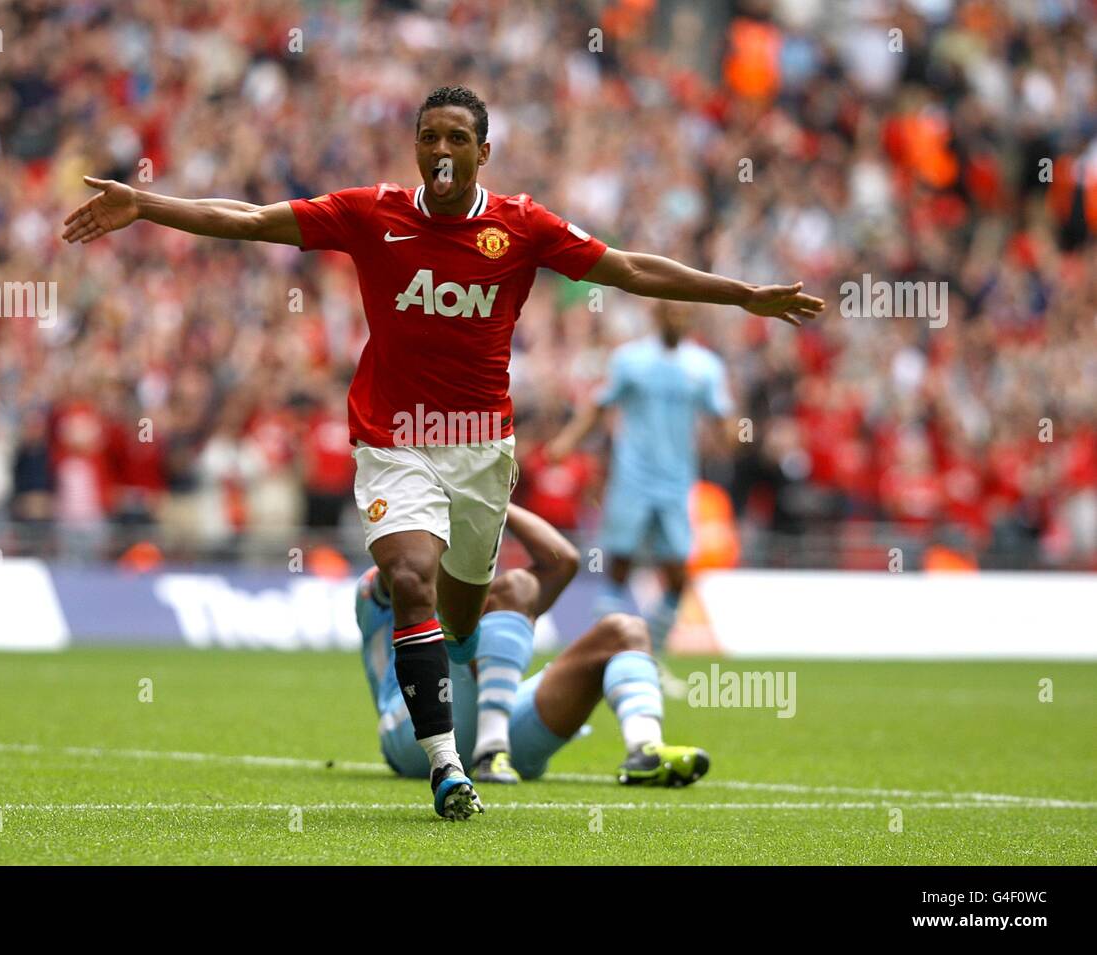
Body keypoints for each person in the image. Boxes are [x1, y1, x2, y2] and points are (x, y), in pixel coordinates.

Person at [63, 85, 820, 819]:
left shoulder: (523, 226)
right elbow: (252, 219)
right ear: (417, 149)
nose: (443, 148)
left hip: (481, 453)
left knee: (461, 620)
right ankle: (447, 766)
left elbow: (627, 269)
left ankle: (485, 718)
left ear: (484, 151)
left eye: (458, 137)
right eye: (431, 136)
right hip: (393, 443)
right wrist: (146, 202)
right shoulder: (372, 213)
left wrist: (741, 293)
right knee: (408, 578)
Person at [356, 503, 710, 791]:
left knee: (625, 630)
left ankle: (644, 750)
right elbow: (402, 573)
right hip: (415, 732)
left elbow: (563, 560)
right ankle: (491, 750)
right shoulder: (384, 581)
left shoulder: (482, 588)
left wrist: (485, 496)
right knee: (516, 586)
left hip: (507, 731)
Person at [548, 302, 736, 693]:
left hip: (676, 483)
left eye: (683, 314)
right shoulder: (631, 360)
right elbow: (600, 406)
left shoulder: (703, 366)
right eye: (670, 312)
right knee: (620, 567)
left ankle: (649, 659)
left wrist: (736, 435)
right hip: (632, 479)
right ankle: (601, 662)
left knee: (678, 576)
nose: (676, 319)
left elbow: (722, 418)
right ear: (656, 316)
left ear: (690, 318)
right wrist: (567, 441)